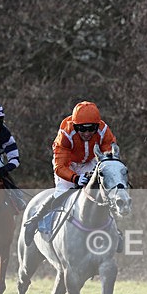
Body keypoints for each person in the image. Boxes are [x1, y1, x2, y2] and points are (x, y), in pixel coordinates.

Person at [23, 101, 119, 245]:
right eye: (82, 129)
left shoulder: (104, 131)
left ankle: (115, 231)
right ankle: (34, 220)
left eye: (91, 129)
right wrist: (75, 178)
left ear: (97, 126)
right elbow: (60, 166)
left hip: (91, 161)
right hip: (69, 165)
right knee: (62, 193)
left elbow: (108, 158)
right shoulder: (65, 134)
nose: (87, 133)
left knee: (103, 195)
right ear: (75, 126)